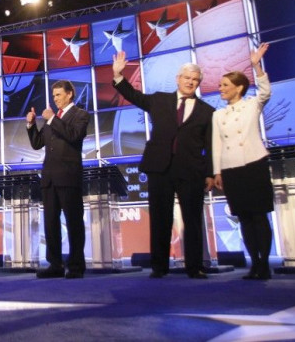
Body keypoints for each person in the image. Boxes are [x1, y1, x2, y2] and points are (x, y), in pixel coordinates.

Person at [112, 52, 214, 279]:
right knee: (160, 219)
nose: (190, 82)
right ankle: (159, 266)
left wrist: (210, 173)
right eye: (187, 77)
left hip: (191, 171)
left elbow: (211, 145)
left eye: (195, 79)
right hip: (160, 168)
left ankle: (194, 266)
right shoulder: (159, 100)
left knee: (193, 220)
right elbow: (134, 96)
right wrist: (118, 75)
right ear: (178, 78)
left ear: (199, 83)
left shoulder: (207, 111)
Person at [213, 43, 274, 280]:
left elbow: (265, 92)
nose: (220, 89)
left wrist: (256, 65)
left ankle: (265, 263)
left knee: (259, 216)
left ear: (238, 88)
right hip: (231, 169)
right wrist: (217, 171)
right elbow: (216, 144)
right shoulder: (218, 114)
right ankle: (254, 262)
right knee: (244, 218)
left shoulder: (252, 105)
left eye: (225, 85)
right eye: (220, 85)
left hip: (254, 163)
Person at [27, 80, 90, 279]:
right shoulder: (51, 119)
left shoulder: (80, 115)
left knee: (73, 222)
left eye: (59, 95)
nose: (55, 99)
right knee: (51, 223)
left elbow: (73, 135)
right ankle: (55, 264)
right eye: (54, 96)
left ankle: (76, 265)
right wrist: (30, 125)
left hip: (69, 176)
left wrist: (53, 119)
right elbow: (38, 143)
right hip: (49, 178)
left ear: (70, 94)